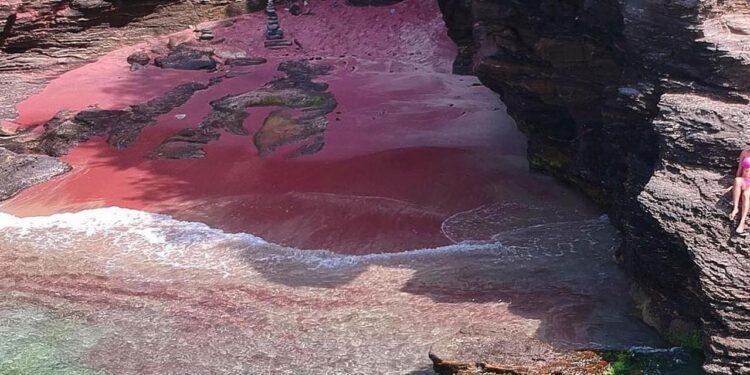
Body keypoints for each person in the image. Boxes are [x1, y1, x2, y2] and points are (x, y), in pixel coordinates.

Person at [727, 155, 750, 234]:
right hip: (744, 180)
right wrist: (734, 185)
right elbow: (740, 168)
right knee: (737, 180)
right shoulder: (744, 153)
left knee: (745, 194)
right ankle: (735, 208)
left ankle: (742, 221)